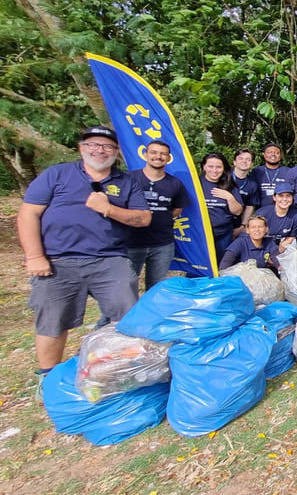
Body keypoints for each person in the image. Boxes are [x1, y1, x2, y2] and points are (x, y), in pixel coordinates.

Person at [18, 125, 151, 387]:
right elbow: (28, 214)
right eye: (94, 144)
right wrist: (34, 256)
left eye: (107, 146)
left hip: (110, 259)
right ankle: (48, 378)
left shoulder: (126, 182)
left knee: (127, 317)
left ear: (117, 152)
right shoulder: (58, 174)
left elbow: (143, 218)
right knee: (53, 321)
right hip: (58, 261)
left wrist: (109, 209)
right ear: (82, 148)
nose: (100, 150)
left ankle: (120, 372)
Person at [125, 140, 189, 291]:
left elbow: (177, 210)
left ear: (168, 158)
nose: (158, 156)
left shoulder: (175, 184)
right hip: (131, 243)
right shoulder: (128, 179)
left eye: (163, 154)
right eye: (153, 152)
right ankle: (115, 316)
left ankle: (149, 315)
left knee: (155, 290)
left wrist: (160, 217)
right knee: (124, 289)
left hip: (162, 244)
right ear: (145, 155)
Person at [199, 151, 244, 260]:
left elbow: (238, 211)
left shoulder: (229, 185)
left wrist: (229, 197)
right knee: (200, 267)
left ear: (224, 168)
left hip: (223, 234)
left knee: (221, 266)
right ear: (204, 167)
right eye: (210, 166)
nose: (214, 170)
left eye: (218, 167)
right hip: (200, 234)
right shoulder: (196, 184)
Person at [254, 181, 297, 252]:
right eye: (281, 195)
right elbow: (253, 234)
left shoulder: (296, 215)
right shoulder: (262, 213)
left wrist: (279, 249)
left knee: (292, 245)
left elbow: (291, 236)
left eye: (288, 196)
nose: (285, 199)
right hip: (262, 241)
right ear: (274, 197)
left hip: (281, 242)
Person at [251, 142, 292, 208]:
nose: (273, 154)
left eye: (276, 152)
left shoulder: (288, 171)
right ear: (264, 155)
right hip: (260, 211)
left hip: (282, 211)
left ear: (280, 156)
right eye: (270, 152)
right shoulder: (256, 171)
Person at [232, 148, 260, 234]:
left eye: (248, 159)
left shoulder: (252, 184)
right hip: (219, 224)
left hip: (237, 225)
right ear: (234, 162)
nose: (244, 161)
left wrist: (243, 226)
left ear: (251, 164)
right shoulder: (224, 177)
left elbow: (250, 206)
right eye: (241, 158)